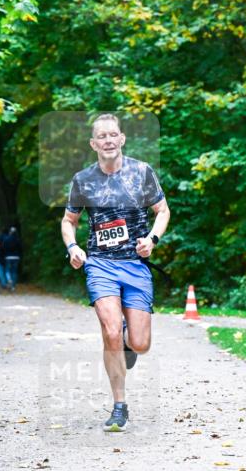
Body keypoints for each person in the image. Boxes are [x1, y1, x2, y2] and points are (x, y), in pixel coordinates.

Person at [60, 113, 170, 432]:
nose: (108, 140)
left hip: (135, 266)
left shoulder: (142, 172)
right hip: (101, 265)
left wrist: (152, 239)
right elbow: (69, 221)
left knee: (140, 343)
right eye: (102, 136)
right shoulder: (83, 180)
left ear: (121, 139)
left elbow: (162, 211)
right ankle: (119, 405)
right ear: (94, 144)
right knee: (109, 331)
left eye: (113, 135)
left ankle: (126, 342)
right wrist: (73, 248)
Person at [1, 226, 22, 291]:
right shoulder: (18, 239)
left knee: (7, 270)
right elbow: (21, 248)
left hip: (8, 257)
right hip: (16, 257)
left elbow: (3, 248)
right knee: (14, 271)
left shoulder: (6, 239)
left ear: (10, 232)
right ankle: (13, 286)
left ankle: (9, 279)